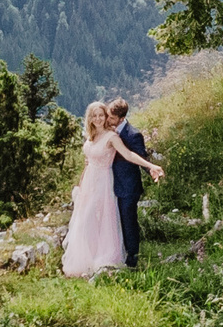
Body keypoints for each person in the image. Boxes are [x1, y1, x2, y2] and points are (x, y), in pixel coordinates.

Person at [63, 101, 163, 278]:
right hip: (89, 183)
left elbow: (129, 154)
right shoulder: (91, 136)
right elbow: (88, 163)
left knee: (104, 219)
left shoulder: (112, 137)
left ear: (106, 117)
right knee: (86, 220)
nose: (98, 119)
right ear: (90, 118)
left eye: (101, 115)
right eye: (94, 116)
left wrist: (151, 166)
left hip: (104, 182)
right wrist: (81, 184)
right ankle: (87, 259)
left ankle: (106, 258)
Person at [107, 97, 151, 267]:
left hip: (128, 186)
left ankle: (132, 258)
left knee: (128, 221)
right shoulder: (108, 131)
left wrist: (151, 170)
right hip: (111, 183)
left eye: (111, 118)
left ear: (121, 118)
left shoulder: (133, 134)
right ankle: (118, 253)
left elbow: (141, 157)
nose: (108, 120)